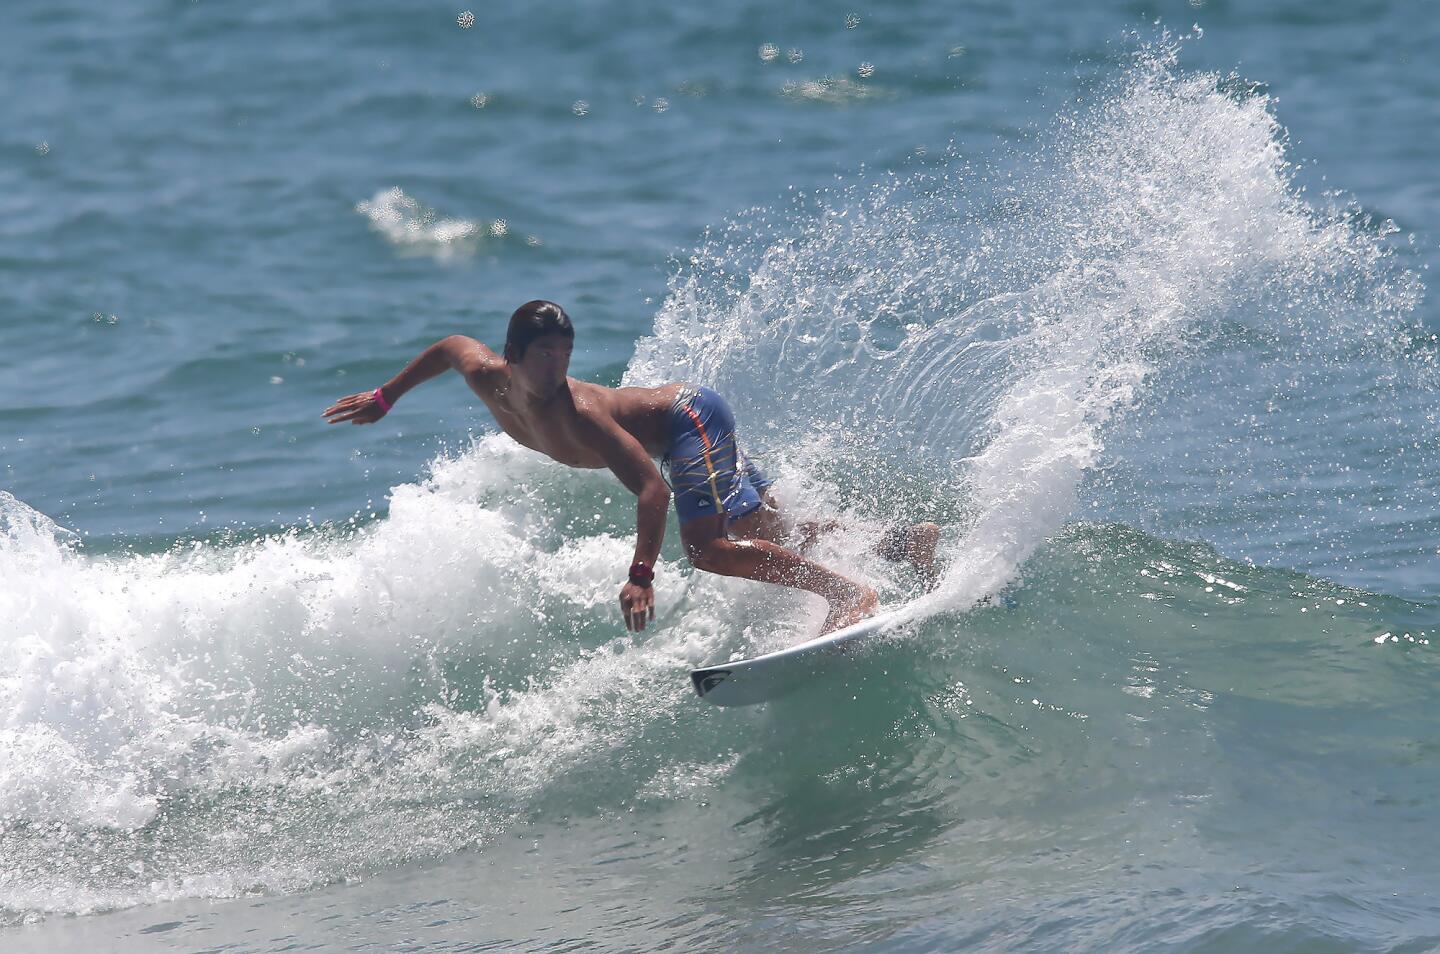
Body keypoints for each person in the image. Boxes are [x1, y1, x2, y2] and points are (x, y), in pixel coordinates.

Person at [322, 300, 939, 634]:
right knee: (768, 537)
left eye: (565, 354)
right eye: (544, 356)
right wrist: (385, 397)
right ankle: (902, 543)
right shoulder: (486, 375)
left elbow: (651, 491)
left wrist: (641, 574)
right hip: (689, 425)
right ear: (511, 357)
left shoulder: (581, 415)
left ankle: (847, 592)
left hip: (688, 423)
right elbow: (448, 346)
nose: (557, 367)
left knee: (711, 550)